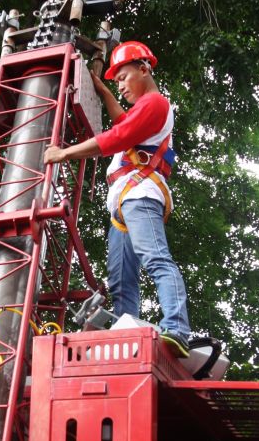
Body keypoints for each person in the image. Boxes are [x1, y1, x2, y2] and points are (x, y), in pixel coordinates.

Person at [44, 40, 192, 357]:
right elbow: (122, 121)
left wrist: (63, 153)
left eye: (123, 77)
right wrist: (100, 87)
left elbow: (117, 137)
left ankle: (177, 329)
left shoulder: (155, 103)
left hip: (140, 195)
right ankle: (126, 338)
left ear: (144, 68)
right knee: (121, 282)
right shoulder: (142, 111)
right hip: (125, 203)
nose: (121, 85)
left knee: (156, 259)